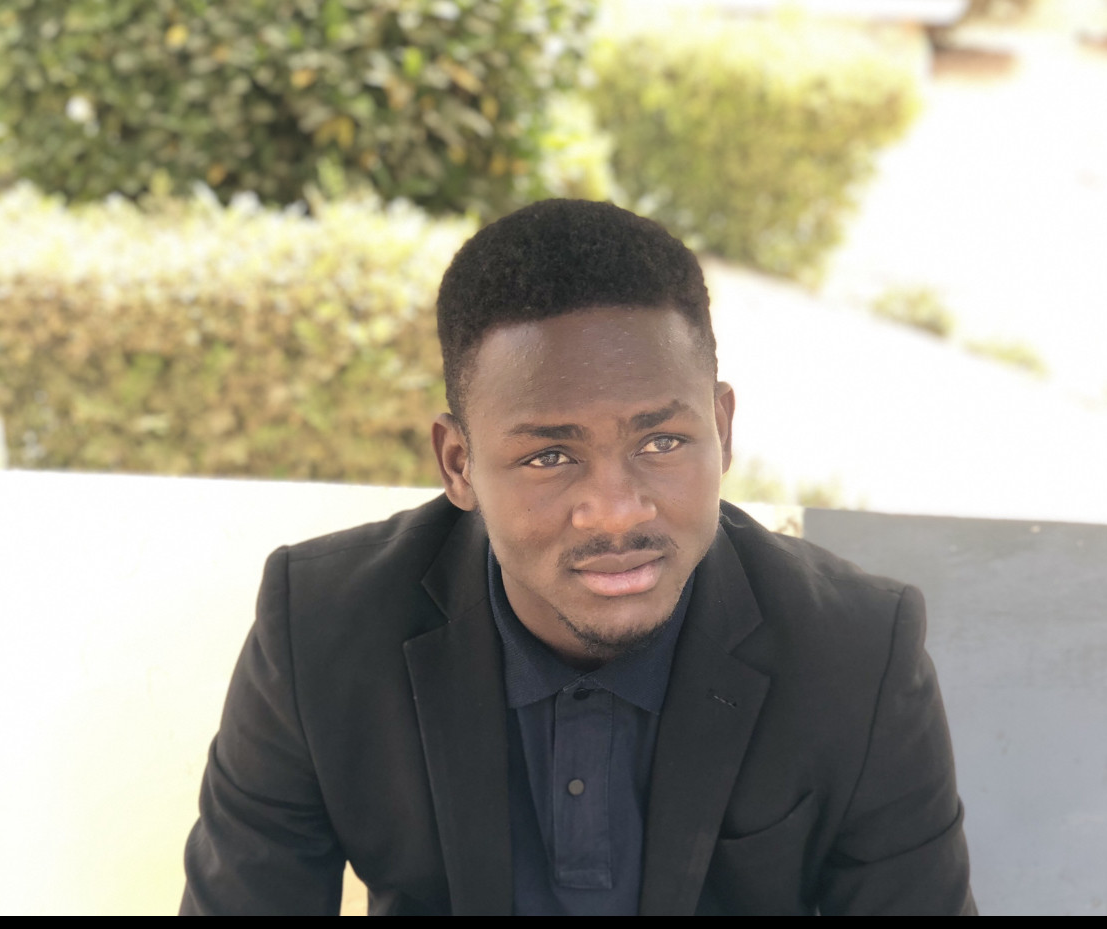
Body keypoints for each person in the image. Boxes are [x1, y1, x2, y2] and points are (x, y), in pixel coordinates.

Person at [180, 199, 975, 915]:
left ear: (722, 428)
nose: (616, 509)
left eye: (661, 441)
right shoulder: (319, 629)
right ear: (458, 463)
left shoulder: (857, 652)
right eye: (549, 456)